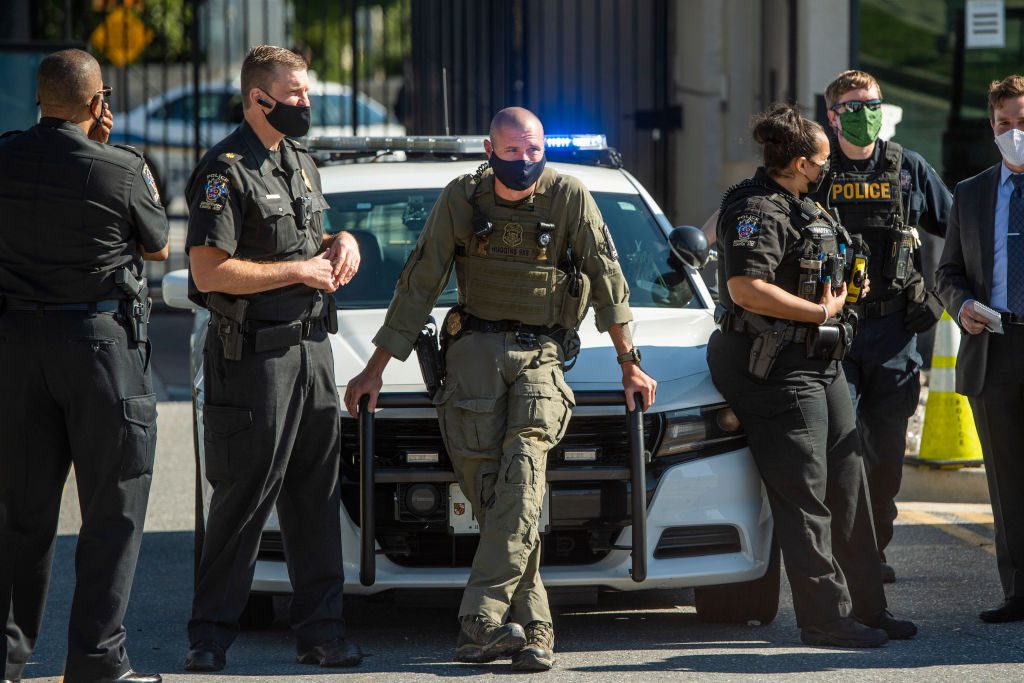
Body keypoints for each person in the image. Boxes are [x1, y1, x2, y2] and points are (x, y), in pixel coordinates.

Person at [344, 107, 657, 671]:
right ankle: (535, 629)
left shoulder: (569, 197)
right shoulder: (461, 198)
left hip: (541, 354)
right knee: (499, 496)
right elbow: (420, 282)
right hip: (471, 360)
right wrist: (375, 369)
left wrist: (629, 362)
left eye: (533, 149)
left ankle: (480, 619)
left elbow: (609, 281)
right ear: (490, 150)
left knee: (522, 476)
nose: (524, 161)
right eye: (511, 152)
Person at [707, 103, 916, 648]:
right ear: (800, 162)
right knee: (806, 496)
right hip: (779, 367)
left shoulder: (805, 205)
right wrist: (821, 312)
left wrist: (851, 286)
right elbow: (746, 289)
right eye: (823, 161)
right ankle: (825, 617)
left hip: (823, 362)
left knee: (850, 488)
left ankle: (870, 610)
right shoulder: (755, 208)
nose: (830, 169)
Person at [183, 45, 362, 672]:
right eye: (295, 95)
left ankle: (323, 634)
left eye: (306, 93)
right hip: (254, 356)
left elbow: (317, 236)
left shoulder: (301, 162)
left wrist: (345, 242)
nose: (306, 104)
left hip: (313, 351)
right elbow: (208, 273)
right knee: (245, 498)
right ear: (259, 99)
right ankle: (209, 638)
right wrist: (300, 270)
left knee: (315, 497)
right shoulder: (223, 172)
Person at [0, 49, 168, 683]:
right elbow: (158, 245)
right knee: (112, 512)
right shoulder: (120, 169)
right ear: (99, 104)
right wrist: (110, 152)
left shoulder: (5, 156)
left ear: (39, 100)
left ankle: (8, 658)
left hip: (16, 349)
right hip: (100, 351)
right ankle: (96, 661)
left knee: (21, 512)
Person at [814, 70, 951, 584]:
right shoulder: (819, 170)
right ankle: (848, 555)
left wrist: (942, 294)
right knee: (840, 445)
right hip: (835, 331)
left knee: (887, 451)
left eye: (870, 103)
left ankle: (876, 547)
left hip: (895, 331)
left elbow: (960, 229)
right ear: (832, 115)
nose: (862, 112)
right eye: (850, 106)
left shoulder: (908, 168)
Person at [936, 74, 1024, 624]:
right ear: (992, 128)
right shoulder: (970, 194)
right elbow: (946, 272)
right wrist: (960, 303)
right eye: (1004, 125)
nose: (1014, 133)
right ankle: (1018, 592)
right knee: (1007, 482)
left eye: (1022, 122)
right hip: (995, 346)